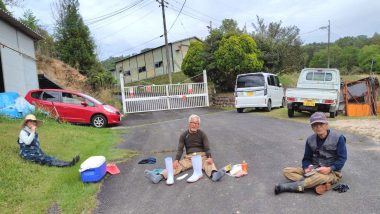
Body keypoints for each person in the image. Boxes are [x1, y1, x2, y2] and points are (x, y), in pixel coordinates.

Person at [274, 112, 347, 195]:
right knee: (286, 171)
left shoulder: (338, 138)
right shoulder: (310, 140)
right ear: (312, 128)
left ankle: (286, 187)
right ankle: (315, 184)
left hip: (332, 172)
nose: (318, 127)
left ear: (326, 125)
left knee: (319, 177)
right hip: (314, 170)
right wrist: (306, 168)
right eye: (315, 125)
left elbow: (342, 158)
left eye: (321, 124)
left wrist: (330, 169)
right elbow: (306, 158)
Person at [144, 114, 225, 184]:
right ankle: (159, 177)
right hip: (189, 158)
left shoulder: (202, 134)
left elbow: (207, 148)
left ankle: (214, 174)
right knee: (177, 166)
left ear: (199, 125)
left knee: (209, 164)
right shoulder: (184, 135)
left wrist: (209, 158)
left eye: (197, 123)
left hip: (201, 157)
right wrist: (176, 161)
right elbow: (180, 149)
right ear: (189, 123)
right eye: (192, 122)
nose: (194, 125)